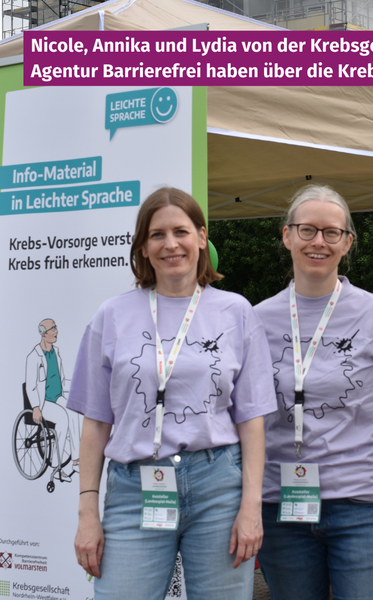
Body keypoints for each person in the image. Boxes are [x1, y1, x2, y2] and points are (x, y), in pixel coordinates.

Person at [67, 187, 277, 600]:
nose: (170, 244)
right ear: (143, 248)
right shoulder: (111, 315)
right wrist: (87, 511)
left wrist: (250, 506)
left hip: (218, 486)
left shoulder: (236, 313)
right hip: (133, 487)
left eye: (180, 231)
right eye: (157, 235)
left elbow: (251, 421)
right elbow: (95, 422)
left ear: (201, 237)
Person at [254, 184, 373, 600]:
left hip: (363, 504)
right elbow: (250, 420)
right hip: (281, 505)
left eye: (332, 232)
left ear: (348, 242)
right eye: (307, 230)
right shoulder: (255, 319)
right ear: (287, 236)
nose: (318, 242)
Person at [26, 318, 76, 480]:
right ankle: (56, 466)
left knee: (74, 412)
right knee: (62, 419)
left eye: (56, 328)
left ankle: (76, 459)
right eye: (53, 329)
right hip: (43, 402)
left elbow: (60, 380)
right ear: (43, 333)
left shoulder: (56, 352)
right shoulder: (34, 356)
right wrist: (35, 407)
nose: (56, 331)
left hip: (57, 397)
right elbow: (31, 386)